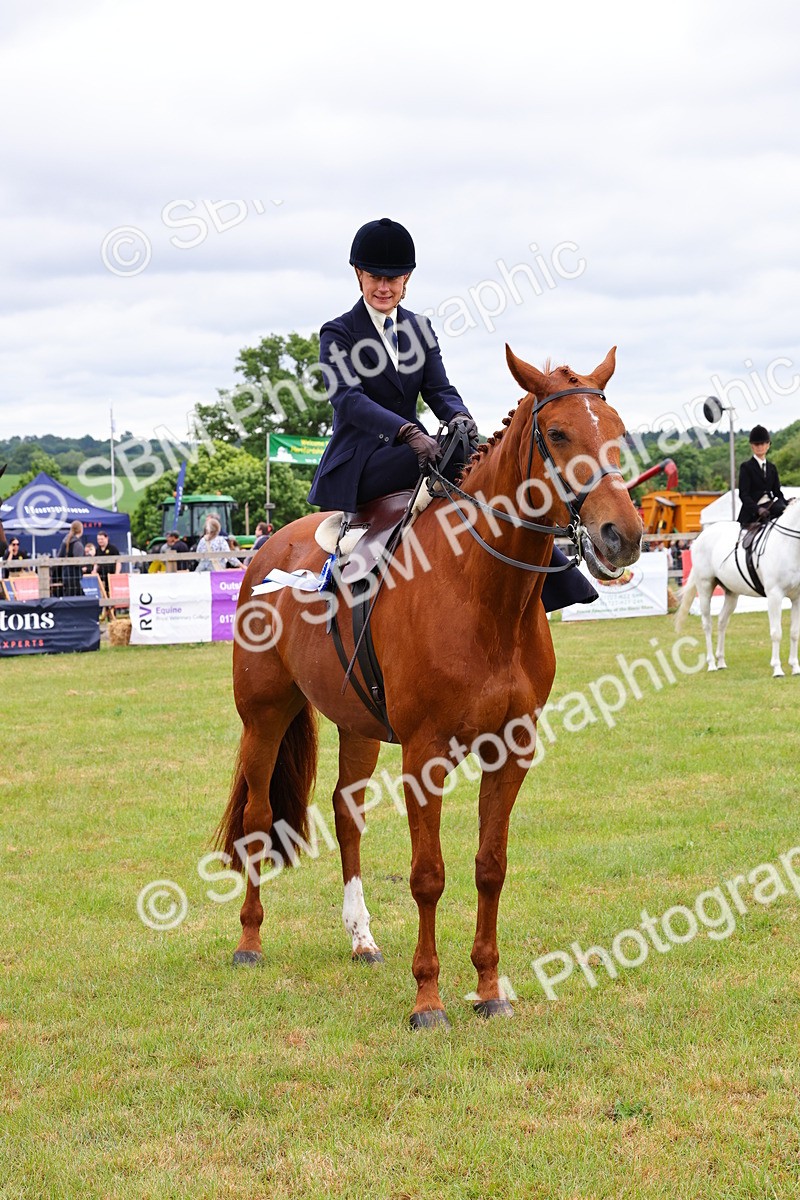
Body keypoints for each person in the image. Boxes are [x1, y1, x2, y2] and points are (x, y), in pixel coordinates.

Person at [307, 216, 597, 611]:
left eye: (394, 278)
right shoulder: (338, 333)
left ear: (407, 278)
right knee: (451, 456)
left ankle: (556, 580)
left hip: (413, 451)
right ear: (358, 274)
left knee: (479, 461)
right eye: (375, 276)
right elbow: (348, 400)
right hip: (360, 461)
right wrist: (408, 431)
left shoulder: (420, 329)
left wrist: (460, 417)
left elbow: (440, 390)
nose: (384, 287)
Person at [737, 425, 787, 527]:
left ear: (768, 445)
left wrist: (786, 502)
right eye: (756, 444)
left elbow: (777, 492)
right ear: (752, 446)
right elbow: (744, 494)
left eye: (763, 443)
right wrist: (757, 509)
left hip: (770, 509)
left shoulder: (772, 468)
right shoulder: (746, 467)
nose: (760, 447)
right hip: (753, 513)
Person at [57, 520, 85, 596]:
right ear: (81, 530)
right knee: (78, 597)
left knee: (69, 596)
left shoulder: (65, 541)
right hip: (74, 575)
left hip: (65, 574)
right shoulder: (78, 544)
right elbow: (78, 562)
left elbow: (59, 556)